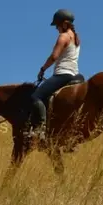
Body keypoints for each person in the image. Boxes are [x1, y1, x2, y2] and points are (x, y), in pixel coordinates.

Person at [29, 8, 81, 140]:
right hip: (74, 73)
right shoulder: (76, 37)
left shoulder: (63, 37)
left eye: (57, 25)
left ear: (64, 24)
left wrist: (42, 69)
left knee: (36, 96)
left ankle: (40, 128)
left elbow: (54, 57)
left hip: (63, 74)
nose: (56, 28)